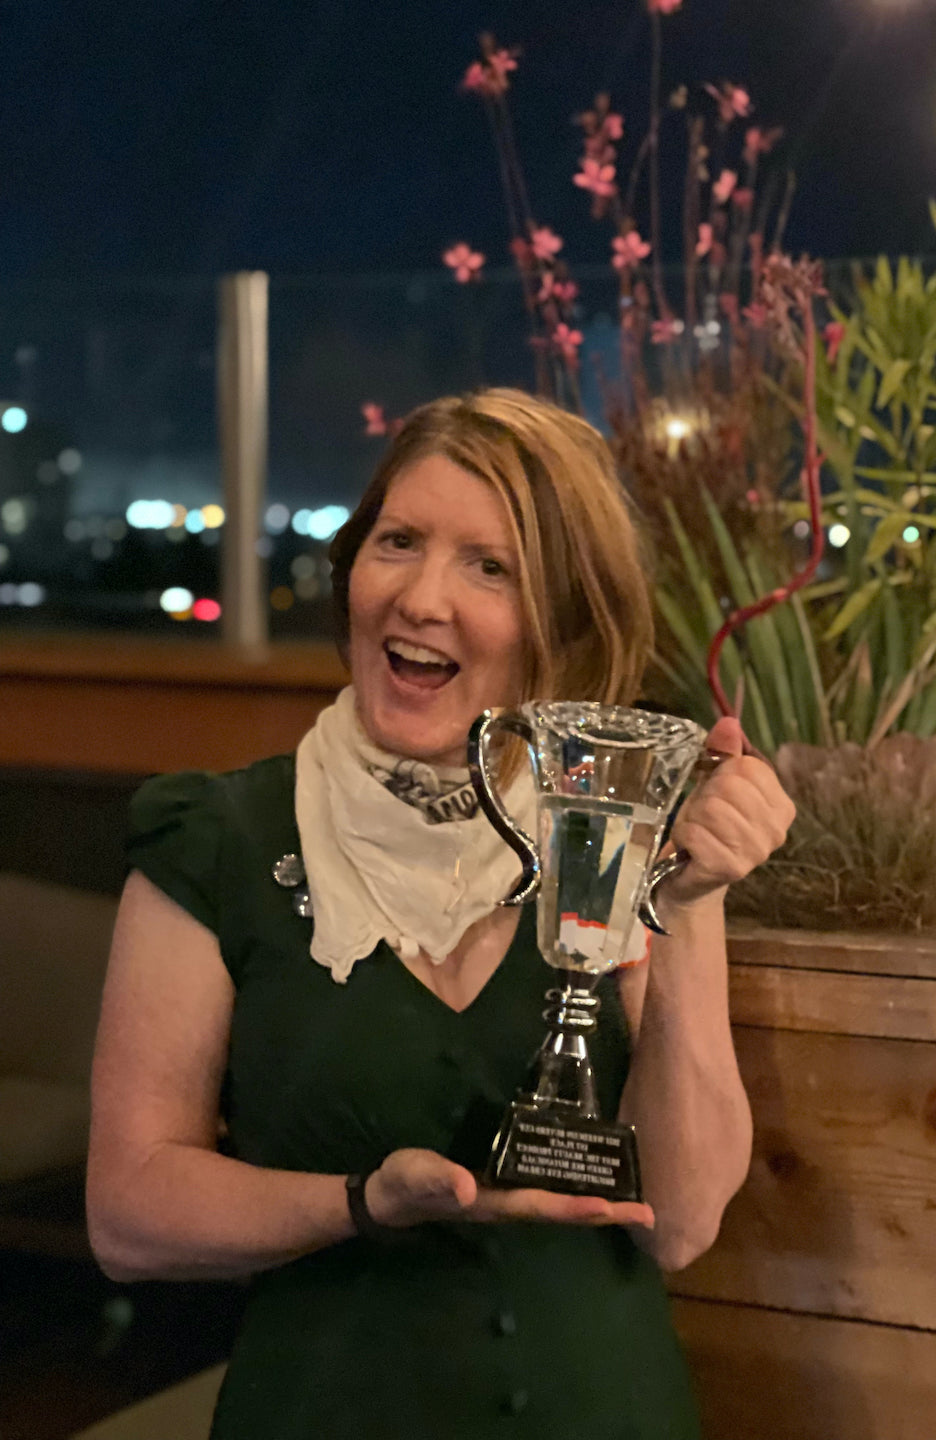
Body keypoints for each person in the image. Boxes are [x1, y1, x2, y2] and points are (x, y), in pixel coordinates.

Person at [87, 388, 795, 1440]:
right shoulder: (220, 839)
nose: (422, 598)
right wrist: (361, 1201)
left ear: (561, 615)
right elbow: (129, 1214)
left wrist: (687, 905)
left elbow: (683, 1221)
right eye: (399, 541)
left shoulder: (611, 826)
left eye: (489, 566)